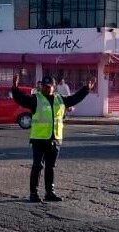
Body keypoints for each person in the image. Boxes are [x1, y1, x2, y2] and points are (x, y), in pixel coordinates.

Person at [11, 74, 95, 202]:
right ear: (41, 87)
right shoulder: (36, 99)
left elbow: (74, 99)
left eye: (49, 86)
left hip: (55, 138)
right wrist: (15, 88)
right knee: (38, 166)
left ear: (54, 87)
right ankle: (34, 193)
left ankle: (50, 192)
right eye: (44, 86)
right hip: (39, 139)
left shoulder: (60, 99)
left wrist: (86, 89)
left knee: (51, 166)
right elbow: (21, 99)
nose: (46, 89)